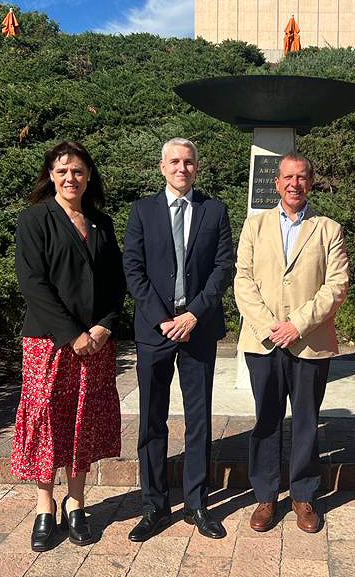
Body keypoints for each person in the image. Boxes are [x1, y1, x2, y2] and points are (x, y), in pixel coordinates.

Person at [13, 140, 125, 552]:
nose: (70, 178)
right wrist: (71, 333)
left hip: (95, 343)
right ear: (50, 175)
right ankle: (45, 507)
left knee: (82, 421)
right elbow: (33, 283)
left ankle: (76, 501)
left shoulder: (102, 223)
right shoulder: (34, 220)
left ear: (88, 175)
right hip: (48, 341)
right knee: (45, 418)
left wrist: (103, 328)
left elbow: (116, 284)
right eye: (62, 171)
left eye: (77, 171)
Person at [123, 138, 234, 541]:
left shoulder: (214, 210)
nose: (181, 168)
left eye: (188, 162)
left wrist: (192, 315)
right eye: (174, 162)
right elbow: (133, 270)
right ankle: (153, 505)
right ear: (162, 167)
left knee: (198, 419)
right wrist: (163, 319)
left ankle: (196, 503)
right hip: (155, 331)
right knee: (152, 419)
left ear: (196, 167)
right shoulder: (143, 211)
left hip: (198, 328)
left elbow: (223, 268)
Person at [233, 153, 348, 534]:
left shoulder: (328, 228)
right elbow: (243, 280)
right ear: (277, 183)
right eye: (287, 177)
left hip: (309, 342)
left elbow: (336, 285)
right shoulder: (255, 225)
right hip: (263, 341)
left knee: (305, 421)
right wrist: (271, 326)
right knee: (266, 419)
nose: (294, 183)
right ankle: (265, 496)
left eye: (301, 177)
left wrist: (296, 325)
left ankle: (303, 495)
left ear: (310, 183)